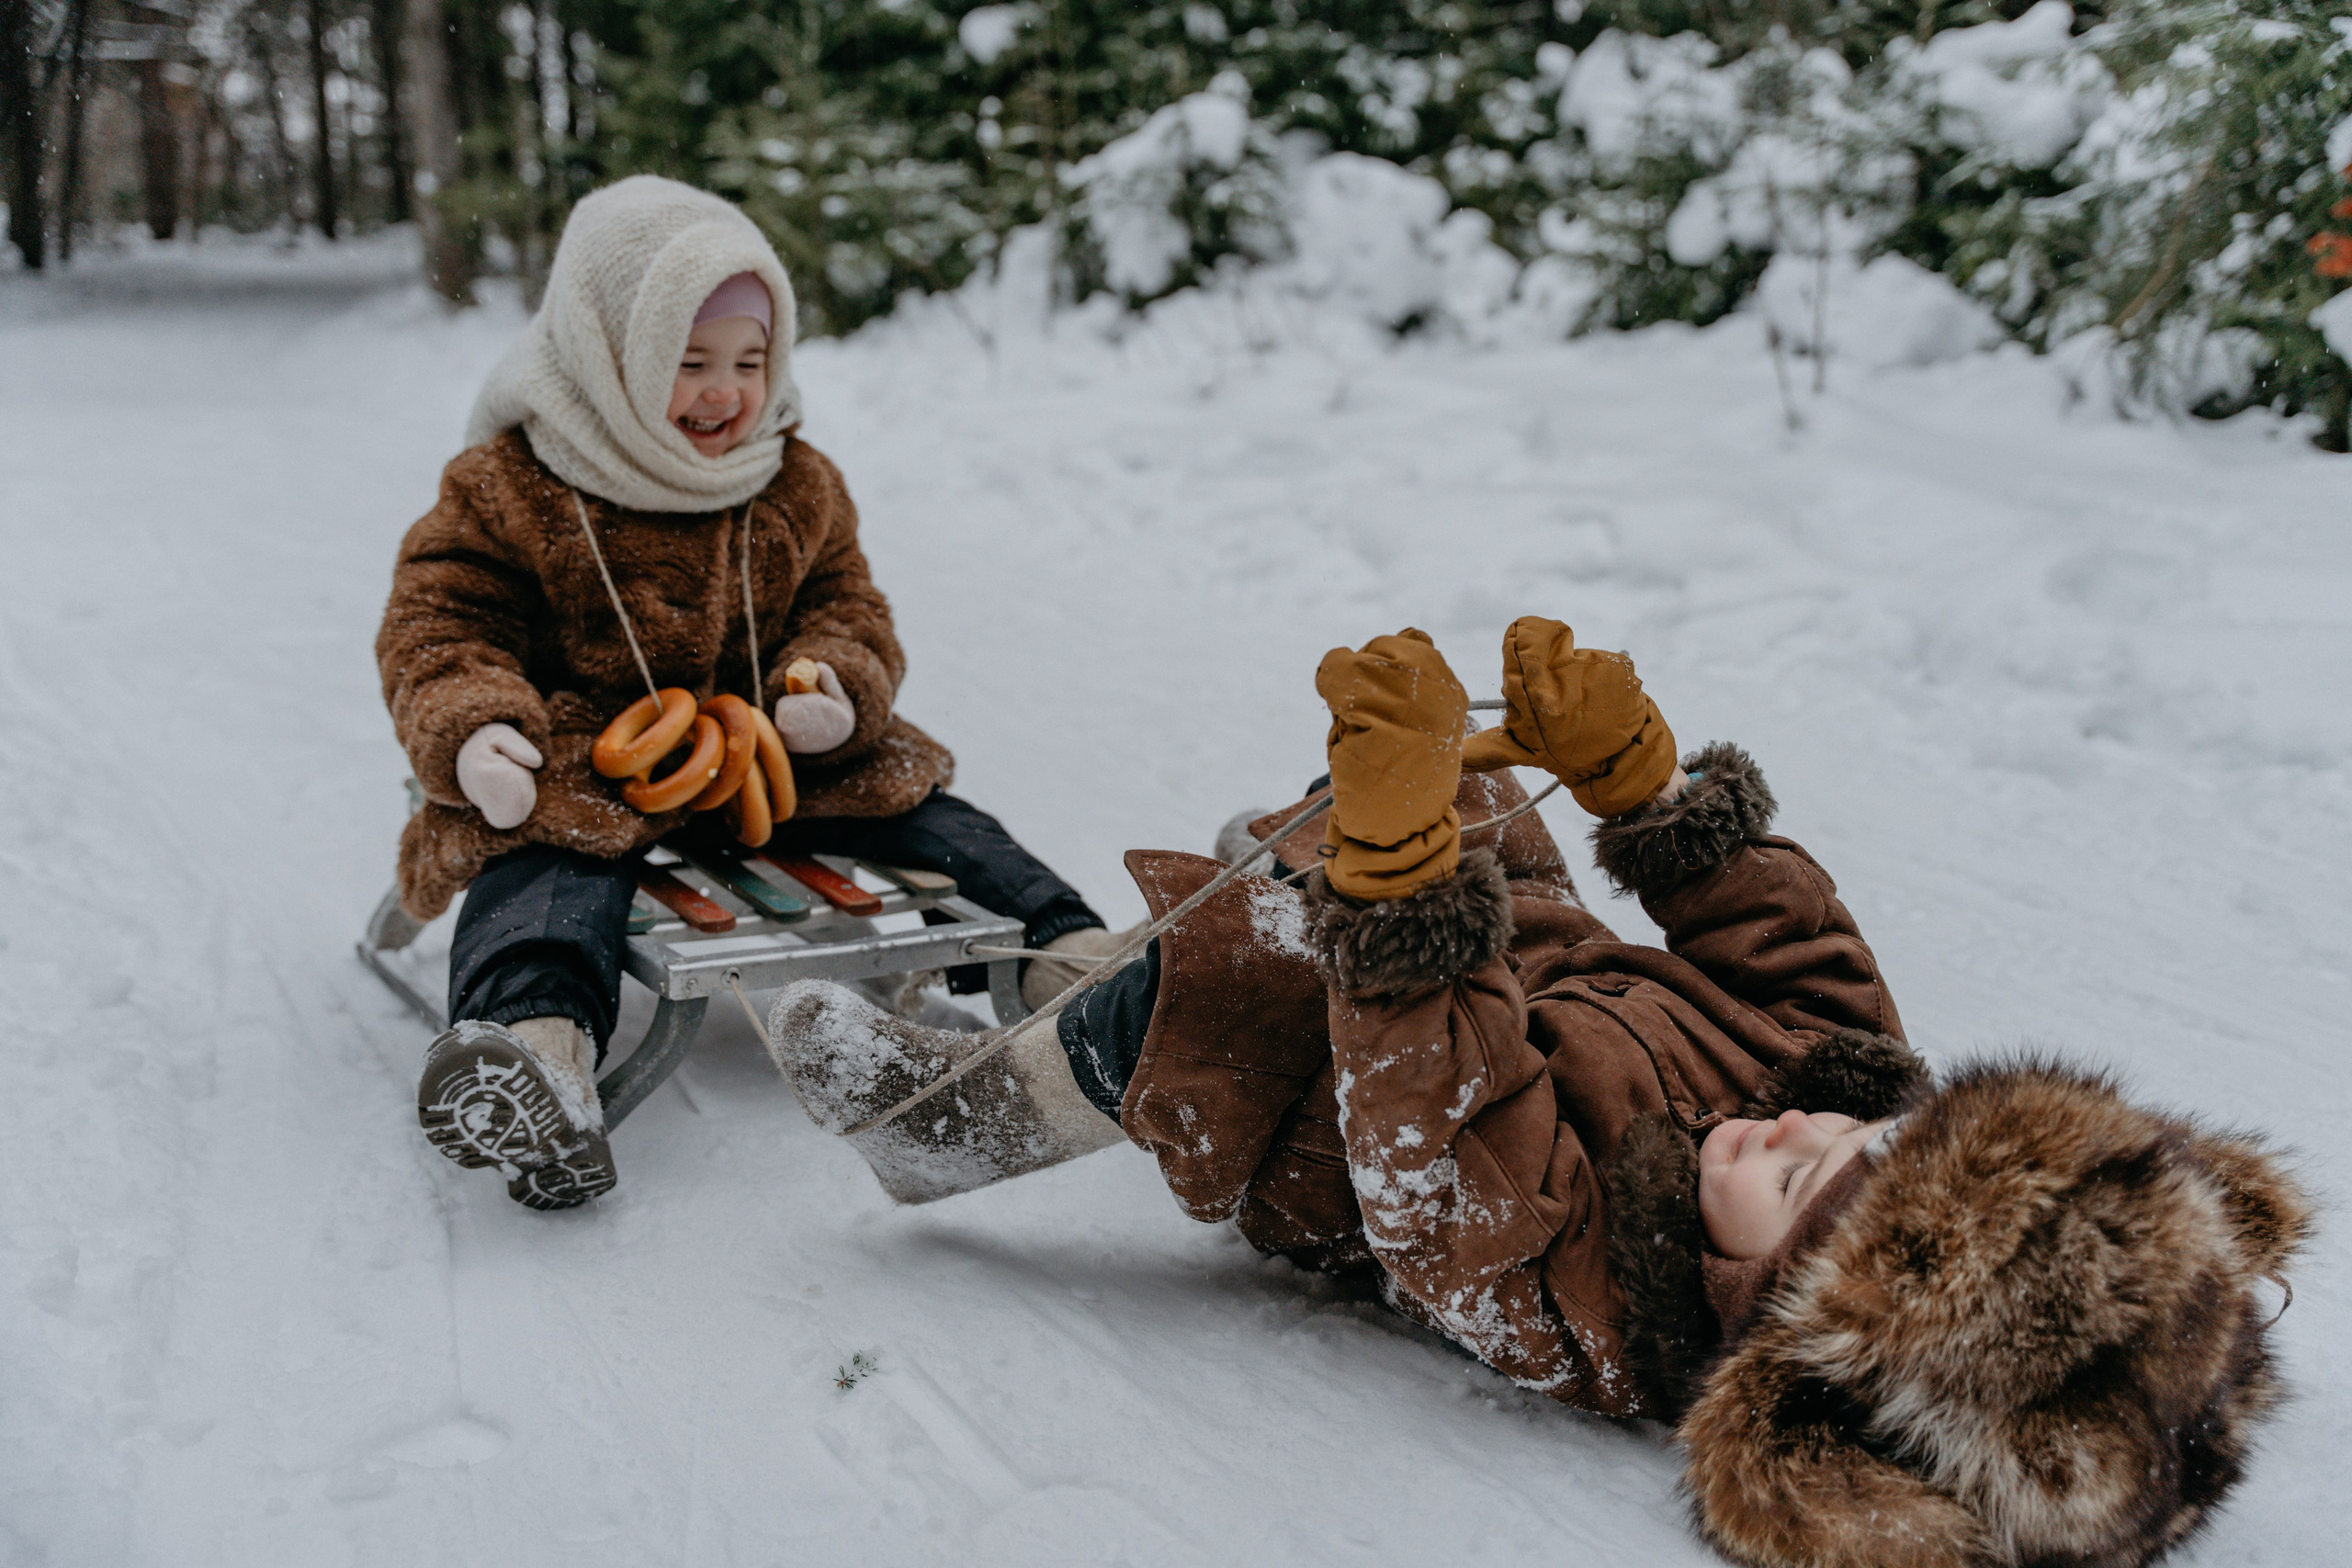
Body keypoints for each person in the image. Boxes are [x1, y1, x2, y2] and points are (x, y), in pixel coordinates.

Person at [765, 615, 2312, 1568]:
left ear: (1754, 1304)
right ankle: (1102, 964)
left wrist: (1395, 884)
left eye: (1791, 1179)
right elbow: (1788, 940)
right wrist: (1641, 785)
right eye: (1857, 1132)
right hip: (1498, 968)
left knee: (1210, 995)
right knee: (1427, 797)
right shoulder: (1832, 1098)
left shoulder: (1581, 1291)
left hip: (1346, 1111)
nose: (1798, 1123)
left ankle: (954, 1110)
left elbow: (1442, 1131)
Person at [376, 175, 1125, 1212]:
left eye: (748, 361)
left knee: (919, 803)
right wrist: (479, 727)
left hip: (766, 750)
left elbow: (846, 602)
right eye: (687, 363)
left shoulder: (791, 479)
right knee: (545, 863)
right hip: (586, 755)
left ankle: (1070, 952)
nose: (725, 393)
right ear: (610, 352)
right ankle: (535, 1053)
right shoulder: (514, 483)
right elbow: (442, 617)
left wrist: (828, 685)